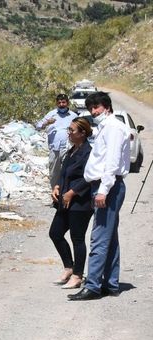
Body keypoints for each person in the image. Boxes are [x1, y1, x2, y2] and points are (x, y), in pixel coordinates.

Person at [69, 92, 131, 301]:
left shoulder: (113, 127)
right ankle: (111, 284)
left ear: (107, 107)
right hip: (106, 186)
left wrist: (103, 190)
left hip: (108, 187)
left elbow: (111, 163)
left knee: (98, 238)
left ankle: (93, 286)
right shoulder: (105, 128)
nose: (94, 112)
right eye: (91, 109)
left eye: (96, 108)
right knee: (110, 238)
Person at [49, 117, 93, 290]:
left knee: (77, 238)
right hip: (65, 201)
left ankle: (77, 275)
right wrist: (58, 186)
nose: (69, 133)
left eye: (72, 130)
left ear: (82, 133)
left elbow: (88, 178)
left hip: (80, 202)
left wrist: (72, 192)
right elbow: (64, 172)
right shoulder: (72, 150)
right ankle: (69, 267)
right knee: (55, 233)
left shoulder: (88, 153)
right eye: (68, 129)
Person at [36, 94, 79, 189]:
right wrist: (46, 123)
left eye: (63, 102)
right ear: (56, 103)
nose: (61, 104)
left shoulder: (73, 116)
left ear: (67, 103)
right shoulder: (51, 114)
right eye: (59, 102)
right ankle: (55, 196)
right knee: (54, 173)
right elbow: (38, 126)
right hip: (54, 149)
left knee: (68, 171)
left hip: (68, 148)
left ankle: (65, 195)